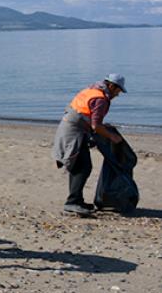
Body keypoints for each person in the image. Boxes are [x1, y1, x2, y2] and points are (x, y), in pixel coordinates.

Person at [52, 74, 126, 216]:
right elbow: (96, 125)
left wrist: (101, 128)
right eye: (118, 90)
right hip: (74, 133)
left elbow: (88, 116)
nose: (118, 94)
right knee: (83, 167)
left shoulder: (92, 90)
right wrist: (112, 136)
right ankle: (72, 202)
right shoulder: (101, 99)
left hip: (69, 128)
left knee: (78, 166)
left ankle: (77, 200)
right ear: (111, 86)